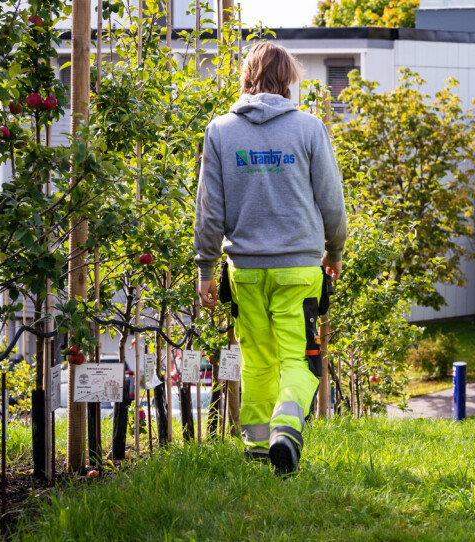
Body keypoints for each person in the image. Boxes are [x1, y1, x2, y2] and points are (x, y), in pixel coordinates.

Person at [193, 43, 347, 475]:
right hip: (298, 268)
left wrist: (206, 268)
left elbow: (209, 210)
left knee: (257, 361)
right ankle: (285, 430)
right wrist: (334, 251)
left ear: (247, 76)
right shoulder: (309, 128)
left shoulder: (220, 130)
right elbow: (331, 202)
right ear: (287, 80)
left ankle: (257, 450)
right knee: (301, 359)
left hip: (244, 269)